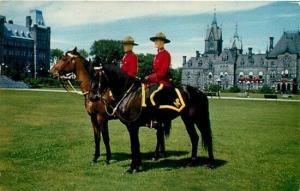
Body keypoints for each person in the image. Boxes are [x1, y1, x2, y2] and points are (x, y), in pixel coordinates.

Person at [144, 32, 172, 128]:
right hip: (155, 82)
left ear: (162, 42)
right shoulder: (156, 56)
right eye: (155, 40)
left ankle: (155, 120)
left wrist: (150, 77)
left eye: (157, 40)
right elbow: (155, 71)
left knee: (152, 96)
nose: (155, 42)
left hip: (163, 82)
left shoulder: (166, 54)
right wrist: (147, 78)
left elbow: (162, 73)